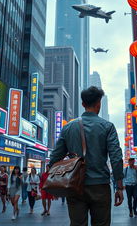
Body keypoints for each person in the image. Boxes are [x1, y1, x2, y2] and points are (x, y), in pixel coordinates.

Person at [49, 86, 124, 226]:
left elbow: (55, 157)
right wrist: (119, 186)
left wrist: (52, 180)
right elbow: (116, 157)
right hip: (100, 186)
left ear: (83, 104)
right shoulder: (108, 126)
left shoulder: (68, 128)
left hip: (75, 186)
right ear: (99, 103)